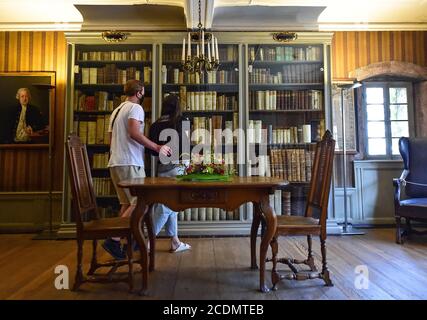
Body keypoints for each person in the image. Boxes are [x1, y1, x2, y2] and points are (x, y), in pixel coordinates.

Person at [103, 79, 172, 260]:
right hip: (130, 162)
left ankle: (121, 242)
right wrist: (157, 147)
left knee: (126, 203)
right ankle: (113, 239)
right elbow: (134, 133)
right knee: (140, 202)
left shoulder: (116, 111)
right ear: (140, 92)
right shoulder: (136, 108)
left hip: (115, 162)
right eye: (143, 91)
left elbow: (110, 141)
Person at [148, 94, 191, 253]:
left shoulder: (154, 125)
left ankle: (175, 242)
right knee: (166, 206)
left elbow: (151, 152)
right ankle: (147, 241)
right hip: (177, 168)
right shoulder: (181, 122)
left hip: (162, 169)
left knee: (170, 203)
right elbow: (186, 149)